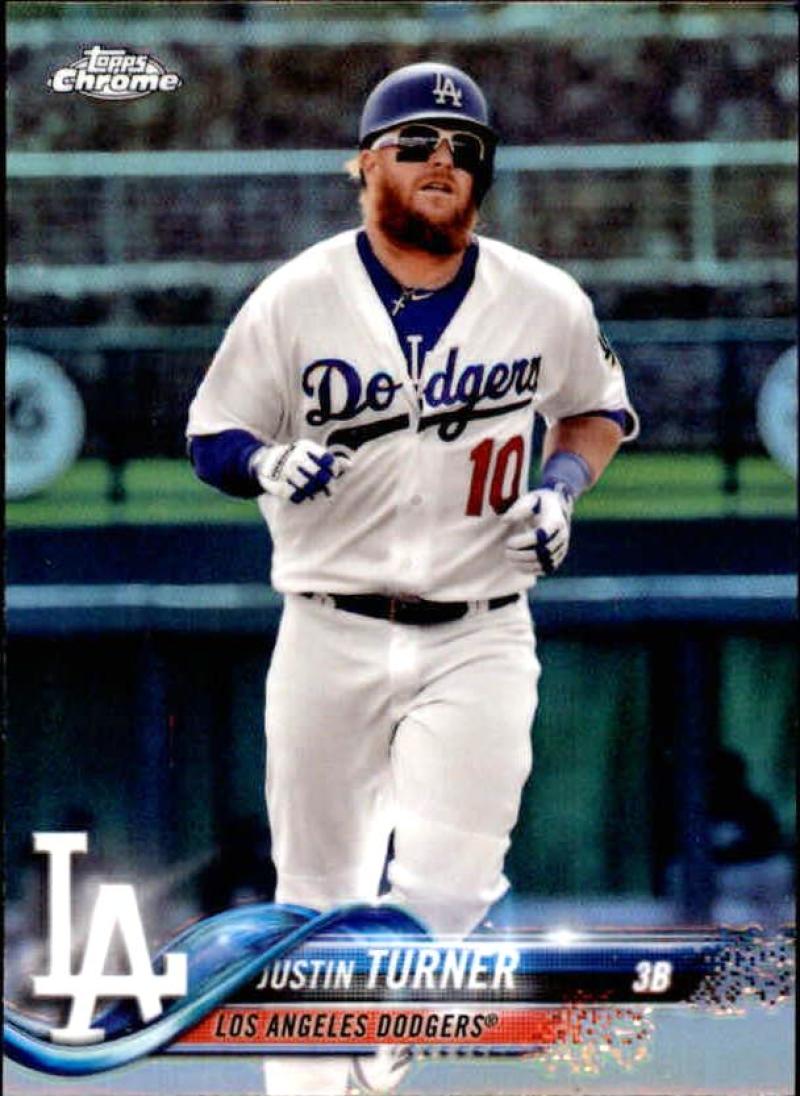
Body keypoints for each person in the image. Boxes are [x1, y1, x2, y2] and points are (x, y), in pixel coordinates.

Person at [187, 60, 638, 1096]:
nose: (444, 159)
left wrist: (561, 488)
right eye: (418, 141)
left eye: (465, 148)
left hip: (479, 624)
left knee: (456, 879)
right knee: (311, 896)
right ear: (364, 165)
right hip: (327, 624)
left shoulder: (542, 298)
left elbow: (596, 409)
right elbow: (213, 432)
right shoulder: (297, 295)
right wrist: (264, 462)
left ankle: (384, 1022)